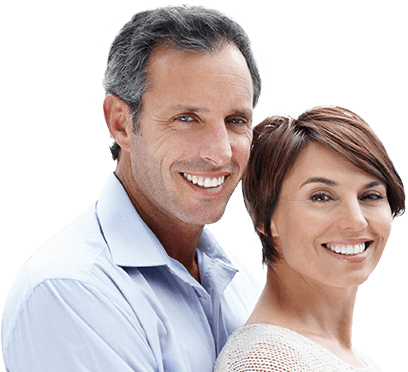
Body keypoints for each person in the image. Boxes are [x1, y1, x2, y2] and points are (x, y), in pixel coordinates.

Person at [1, 4, 264, 371]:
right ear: (121, 123)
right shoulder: (70, 291)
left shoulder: (240, 284)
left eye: (236, 120)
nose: (220, 152)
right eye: (186, 119)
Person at [214, 105, 406, 371]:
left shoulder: (347, 358)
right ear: (266, 219)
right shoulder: (267, 362)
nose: (356, 220)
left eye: (370, 196)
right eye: (321, 196)